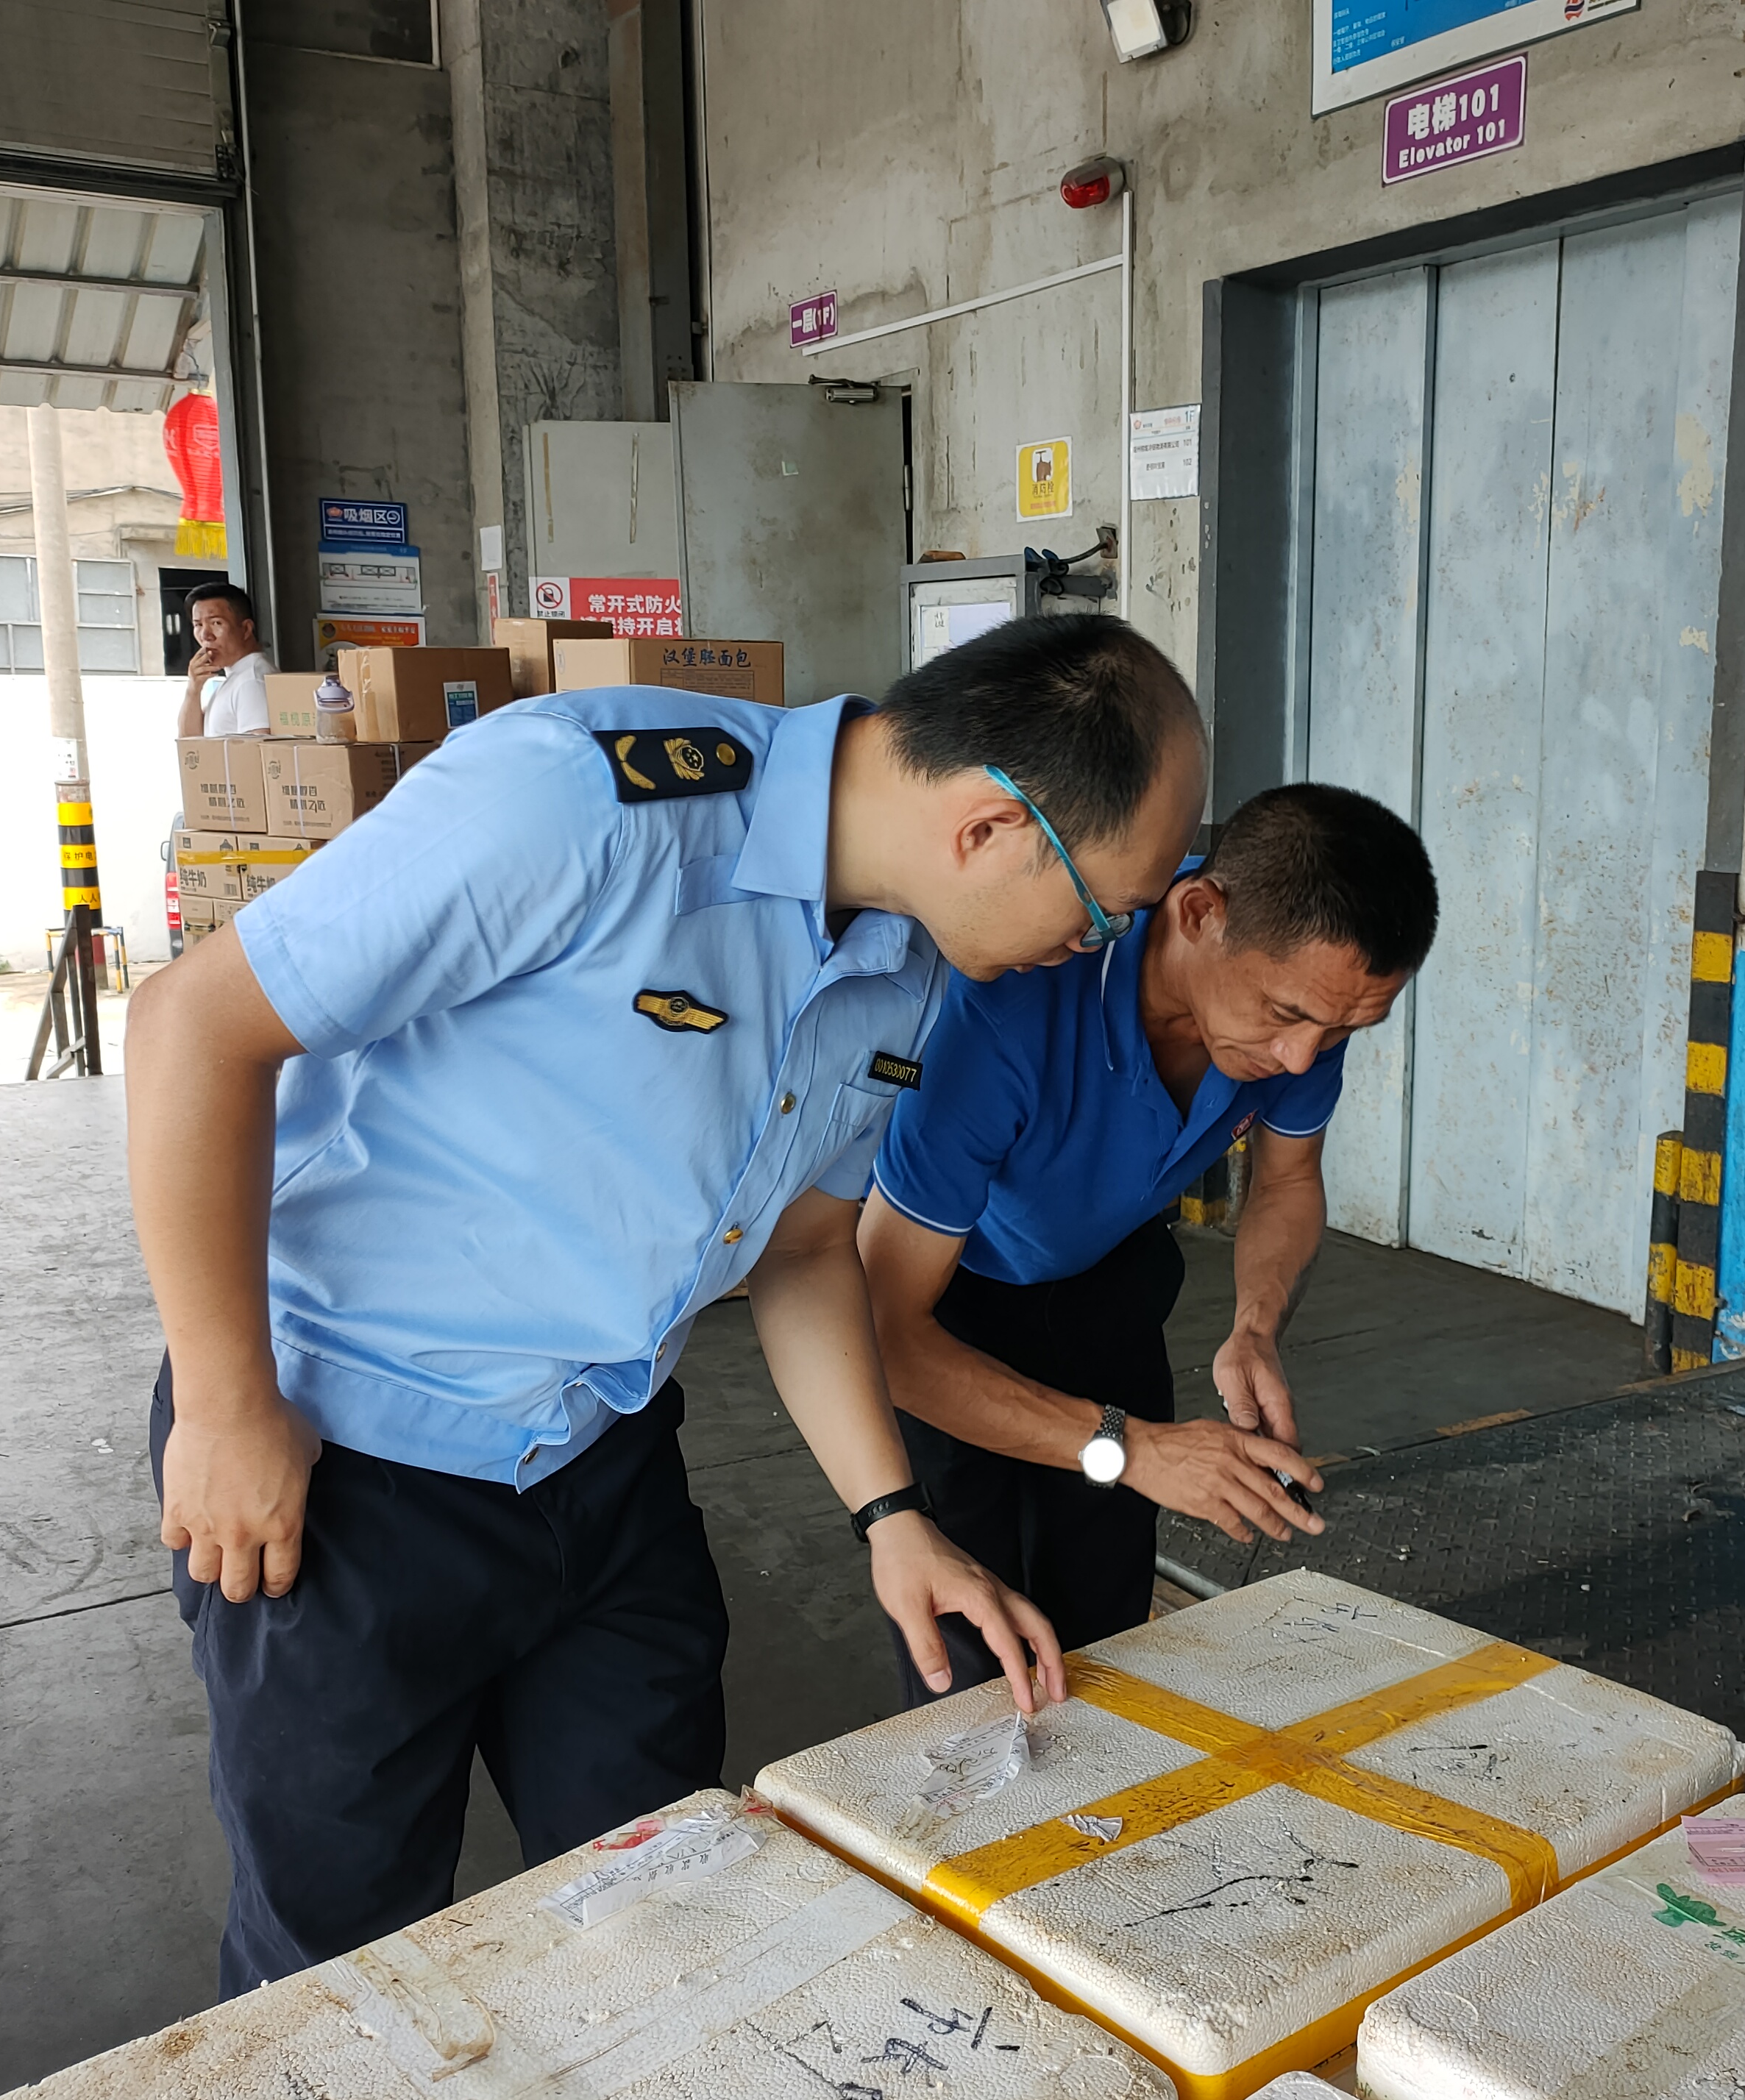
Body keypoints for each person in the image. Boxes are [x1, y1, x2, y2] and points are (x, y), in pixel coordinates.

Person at [122, 612, 1204, 1996]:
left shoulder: (911, 962)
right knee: (343, 1966)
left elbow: (808, 1255)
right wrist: (223, 1403)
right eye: (1099, 914)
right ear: (991, 828)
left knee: (664, 1902)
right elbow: (195, 1027)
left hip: (602, 1464)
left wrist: (894, 1519)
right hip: (345, 1472)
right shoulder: (582, 804)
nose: (1092, 952)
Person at [858, 783, 1437, 1702]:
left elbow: (1285, 1181)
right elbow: (883, 1333)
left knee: (1105, 1621)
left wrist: (1255, 1325)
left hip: (1109, 1284)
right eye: (1287, 1017)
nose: (1302, 1059)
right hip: (948, 1308)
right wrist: (1128, 1448)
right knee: (977, 1655)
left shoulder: (1309, 1006)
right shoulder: (1003, 1011)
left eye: (1344, 1030)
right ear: (1199, 913)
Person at [173, 580, 272, 741]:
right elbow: (190, 745)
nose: (205, 635)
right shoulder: (237, 677)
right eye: (198, 625)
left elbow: (259, 755)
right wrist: (194, 689)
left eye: (216, 623)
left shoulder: (251, 681)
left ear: (246, 629)